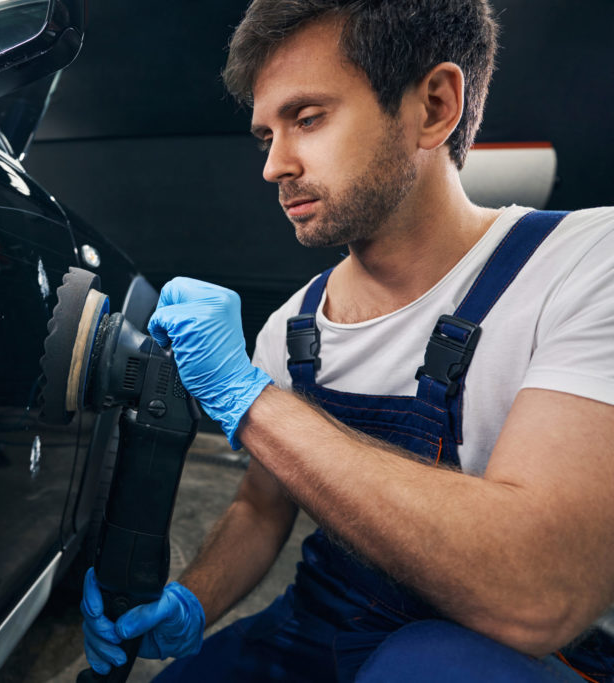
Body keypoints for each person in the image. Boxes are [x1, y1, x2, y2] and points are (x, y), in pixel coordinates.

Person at [81, 1, 614, 681]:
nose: (275, 164)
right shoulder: (292, 328)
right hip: (316, 627)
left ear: (433, 106)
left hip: (506, 656)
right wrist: (191, 597)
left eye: (307, 118)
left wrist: (253, 402)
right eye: (264, 135)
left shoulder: (584, 266)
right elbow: (259, 506)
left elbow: (539, 594)